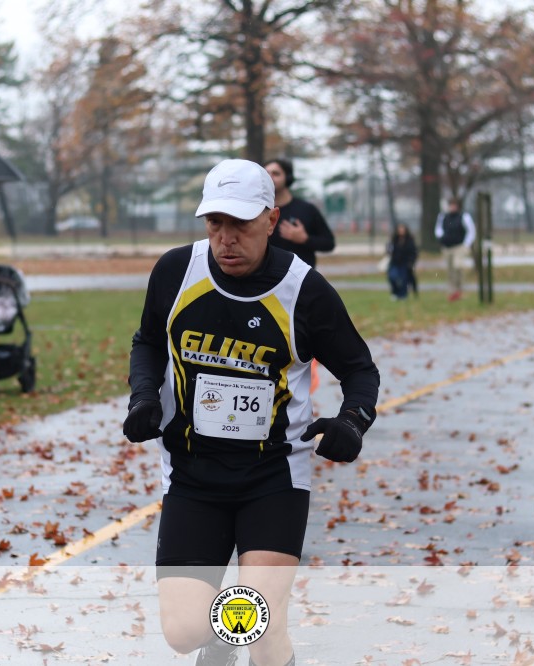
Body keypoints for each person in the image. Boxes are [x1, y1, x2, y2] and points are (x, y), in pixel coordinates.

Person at [124, 159, 380, 666]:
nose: (226, 238)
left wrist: (353, 421)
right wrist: (144, 396)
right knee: (184, 632)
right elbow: (147, 341)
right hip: (192, 474)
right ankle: (221, 637)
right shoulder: (176, 271)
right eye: (215, 223)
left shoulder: (304, 290)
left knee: (261, 628)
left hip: (274, 476)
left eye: (240, 223)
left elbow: (360, 369)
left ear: (271, 219)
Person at [263, 158, 335, 268]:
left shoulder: (307, 209)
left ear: (288, 177)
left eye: (276, 174)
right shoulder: (258, 211)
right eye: (266, 174)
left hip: (300, 275)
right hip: (267, 275)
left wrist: (305, 239)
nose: (270, 177)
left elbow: (329, 243)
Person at [434, 197, 476, 301]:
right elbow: (438, 229)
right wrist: (441, 238)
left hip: (459, 246)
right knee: (450, 270)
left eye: (454, 205)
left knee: (458, 266)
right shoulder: (443, 216)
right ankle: (452, 291)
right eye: (451, 205)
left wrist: (466, 244)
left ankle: (460, 288)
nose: (452, 207)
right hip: (447, 247)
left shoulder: (464, 216)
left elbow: (471, 231)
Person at [386, 224, 418, 300]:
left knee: (404, 279)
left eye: (402, 229)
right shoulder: (394, 240)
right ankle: (395, 293)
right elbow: (389, 250)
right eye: (400, 229)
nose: (401, 231)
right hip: (395, 262)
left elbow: (413, 252)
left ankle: (403, 295)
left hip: (405, 263)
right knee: (392, 277)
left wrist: (411, 262)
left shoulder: (409, 240)